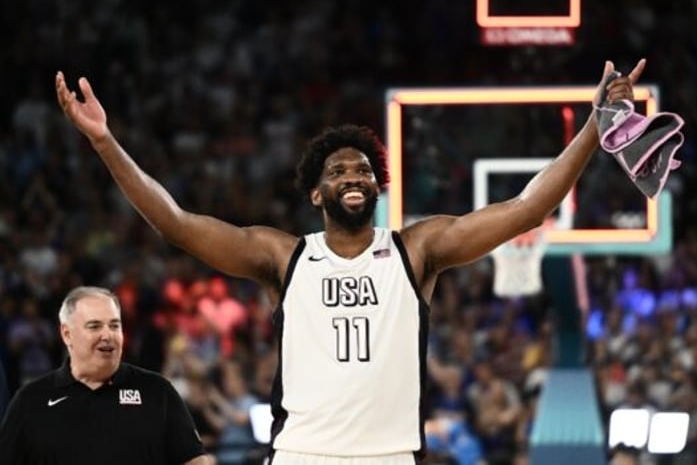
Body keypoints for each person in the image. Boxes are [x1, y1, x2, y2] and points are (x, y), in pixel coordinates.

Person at [54, 58, 643, 464]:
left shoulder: (418, 250)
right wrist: (106, 142)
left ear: (377, 185)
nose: (353, 176)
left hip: (392, 453)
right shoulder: (283, 257)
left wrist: (593, 126)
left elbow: (527, 207)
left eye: (363, 169)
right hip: (300, 453)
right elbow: (175, 224)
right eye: (338, 171)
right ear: (317, 193)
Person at [0, 286, 211, 464]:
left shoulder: (157, 391)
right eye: (94, 326)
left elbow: (194, 461)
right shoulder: (30, 400)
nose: (107, 335)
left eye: (114, 325)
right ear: (67, 334)